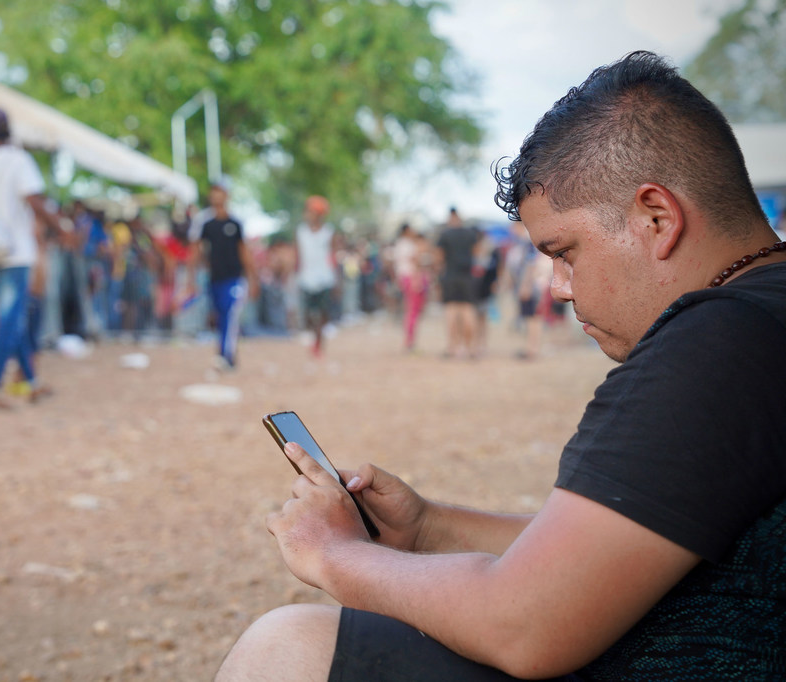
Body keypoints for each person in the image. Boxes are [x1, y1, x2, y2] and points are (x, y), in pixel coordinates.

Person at [216, 51, 786, 681]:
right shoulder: (762, 316)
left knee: (287, 646)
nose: (559, 288)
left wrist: (334, 555)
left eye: (564, 252)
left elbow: (524, 623)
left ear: (657, 217)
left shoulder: (715, 345)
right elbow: (601, 552)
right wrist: (429, 527)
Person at [0, 107, 60, 409]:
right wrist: (62, 228)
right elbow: (33, 199)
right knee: (9, 318)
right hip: (16, 249)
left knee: (12, 317)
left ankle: (32, 382)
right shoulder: (19, 160)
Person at [186, 183, 258, 370]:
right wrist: (191, 279)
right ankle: (225, 353)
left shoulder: (236, 222)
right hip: (214, 278)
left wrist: (252, 278)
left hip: (234, 277)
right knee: (219, 316)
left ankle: (226, 355)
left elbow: (244, 252)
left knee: (230, 313)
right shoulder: (203, 221)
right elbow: (195, 251)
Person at [294, 195, 339, 357]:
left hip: (325, 277)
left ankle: (319, 342)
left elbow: (333, 256)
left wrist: (336, 279)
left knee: (322, 312)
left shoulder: (329, 232)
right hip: (306, 277)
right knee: (308, 313)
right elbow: (298, 255)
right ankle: (314, 338)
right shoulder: (301, 232)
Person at [436, 206, 482, 359]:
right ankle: (471, 348)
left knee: (451, 312)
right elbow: (476, 253)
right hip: (466, 276)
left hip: (450, 276)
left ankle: (452, 347)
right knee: (468, 311)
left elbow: (439, 258)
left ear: (450, 217)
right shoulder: (470, 234)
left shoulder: (445, 234)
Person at [392, 223, 429, 352]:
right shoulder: (407, 245)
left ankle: (410, 340)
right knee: (413, 311)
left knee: (411, 310)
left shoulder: (400, 244)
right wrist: (416, 279)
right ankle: (409, 341)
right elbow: (415, 262)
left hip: (406, 278)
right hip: (412, 278)